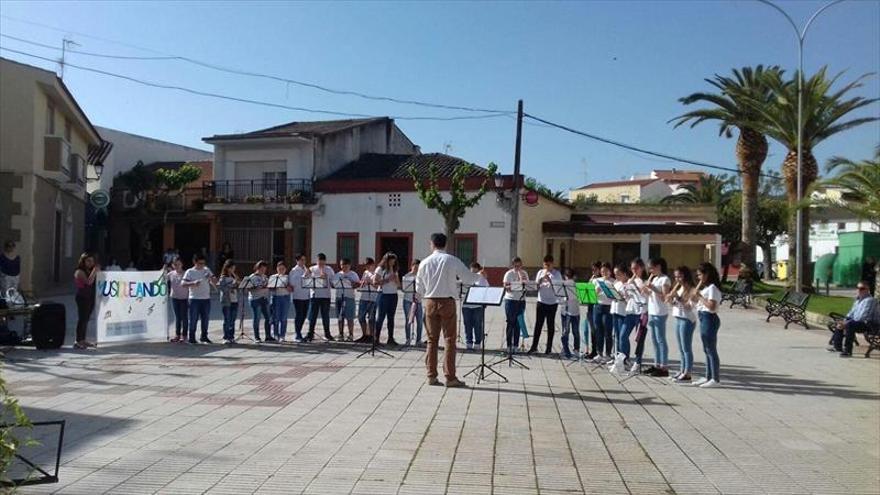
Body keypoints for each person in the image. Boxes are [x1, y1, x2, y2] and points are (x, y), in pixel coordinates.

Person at [416, 233, 478, 387]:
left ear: (432, 244)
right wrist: (477, 276)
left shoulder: (424, 262)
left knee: (432, 339)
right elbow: (468, 279)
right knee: (449, 340)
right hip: (447, 302)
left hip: (430, 301)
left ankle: (431, 375)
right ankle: (450, 377)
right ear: (445, 244)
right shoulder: (451, 260)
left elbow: (419, 287)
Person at [829, 281, 879, 357]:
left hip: (870, 324)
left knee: (849, 325)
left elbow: (862, 317)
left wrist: (847, 322)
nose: (859, 290)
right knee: (841, 323)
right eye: (858, 288)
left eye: (862, 288)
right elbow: (851, 313)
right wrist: (844, 321)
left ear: (867, 289)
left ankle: (848, 350)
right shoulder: (858, 301)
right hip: (860, 323)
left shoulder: (870, 300)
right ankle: (837, 347)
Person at [692, 262, 722, 388]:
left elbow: (712, 306)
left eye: (700, 275)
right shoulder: (706, 288)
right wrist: (695, 298)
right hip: (703, 318)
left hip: (709, 318)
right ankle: (708, 376)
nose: (698, 278)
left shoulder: (713, 288)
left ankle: (715, 378)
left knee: (711, 349)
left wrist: (699, 297)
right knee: (706, 349)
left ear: (707, 274)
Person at [667, 266, 697, 383]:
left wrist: (678, 298)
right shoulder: (679, 288)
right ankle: (682, 370)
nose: (677, 279)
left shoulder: (692, 290)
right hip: (678, 318)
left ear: (685, 276)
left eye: (680, 276)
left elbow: (689, 307)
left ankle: (687, 373)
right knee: (681, 348)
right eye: (676, 277)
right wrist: (670, 299)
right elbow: (673, 304)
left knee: (686, 348)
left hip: (687, 319)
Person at [642, 258, 672, 377]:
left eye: (651, 268)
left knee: (661, 340)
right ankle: (657, 364)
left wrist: (653, 288)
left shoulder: (665, 279)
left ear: (658, 266)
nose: (650, 270)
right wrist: (646, 290)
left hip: (660, 312)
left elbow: (665, 298)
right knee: (654, 340)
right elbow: (651, 295)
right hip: (652, 311)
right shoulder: (655, 278)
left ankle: (664, 367)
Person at [528, 255, 561, 355]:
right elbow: (536, 287)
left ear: (552, 264)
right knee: (538, 324)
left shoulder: (557, 274)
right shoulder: (540, 272)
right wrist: (541, 280)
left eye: (549, 265)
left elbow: (558, 288)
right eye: (545, 265)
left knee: (550, 325)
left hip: (552, 303)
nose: (547, 267)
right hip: (541, 301)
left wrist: (550, 280)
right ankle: (534, 347)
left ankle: (549, 348)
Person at [182, 253, 216, 344]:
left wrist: (211, 278)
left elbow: (214, 281)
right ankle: (192, 337)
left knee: (205, 319)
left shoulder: (207, 270)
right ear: (195, 262)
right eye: (200, 263)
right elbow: (183, 284)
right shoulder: (190, 271)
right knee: (193, 319)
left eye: (203, 263)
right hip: (194, 299)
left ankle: (204, 336)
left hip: (206, 298)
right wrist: (193, 283)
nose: (202, 265)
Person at [373, 252, 401, 346]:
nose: (392, 263)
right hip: (383, 295)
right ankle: (376, 338)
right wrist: (387, 280)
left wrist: (396, 280)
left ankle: (390, 338)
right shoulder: (380, 269)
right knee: (380, 317)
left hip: (393, 295)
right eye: (391, 261)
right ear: (386, 261)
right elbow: (375, 282)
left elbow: (399, 285)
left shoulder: (395, 269)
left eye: (394, 262)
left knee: (391, 317)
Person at [73, 252, 99, 349]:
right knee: (82, 319)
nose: (90, 263)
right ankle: (78, 341)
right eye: (88, 261)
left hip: (90, 297)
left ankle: (83, 339)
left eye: (92, 261)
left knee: (86, 319)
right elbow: (88, 282)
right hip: (82, 297)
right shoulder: (79, 271)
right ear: (83, 261)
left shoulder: (90, 270)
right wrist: (95, 272)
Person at [502, 257, 529, 355]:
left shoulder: (524, 273)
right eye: (516, 266)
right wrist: (512, 286)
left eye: (520, 265)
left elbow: (527, 286)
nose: (518, 267)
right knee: (510, 323)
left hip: (521, 300)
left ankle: (516, 345)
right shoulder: (509, 273)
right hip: (510, 300)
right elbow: (506, 286)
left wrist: (522, 279)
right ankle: (509, 345)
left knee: (518, 323)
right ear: (513, 265)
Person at [306, 253, 335, 342]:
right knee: (313, 315)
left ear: (325, 261)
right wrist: (315, 276)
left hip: (326, 295)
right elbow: (306, 280)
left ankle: (327, 333)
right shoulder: (312, 269)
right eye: (319, 262)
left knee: (325, 315)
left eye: (322, 263)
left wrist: (326, 277)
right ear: (316, 261)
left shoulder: (329, 269)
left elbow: (333, 282)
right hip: (315, 295)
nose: (321, 264)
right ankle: (310, 333)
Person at [607, 263, 631, 372]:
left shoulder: (629, 284)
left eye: (618, 274)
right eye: (615, 274)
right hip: (615, 311)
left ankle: (625, 358)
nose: (616, 276)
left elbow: (630, 300)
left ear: (625, 274)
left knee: (623, 337)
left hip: (624, 312)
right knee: (616, 335)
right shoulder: (616, 283)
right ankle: (618, 358)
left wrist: (622, 297)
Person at [627, 258, 649, 374]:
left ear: (642, 268)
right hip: (631, 311)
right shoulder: (631, 280)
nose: (633, 271)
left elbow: (645, 295)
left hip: (643, 312)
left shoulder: (646, 281)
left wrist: (637, 286)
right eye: (632, 268)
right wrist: (628, 287)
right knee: (623, 334)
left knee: (639, 338)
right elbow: (626, 295)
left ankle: (638, 361)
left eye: (636, 268)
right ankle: (624, 358)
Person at [461, 262, 488, 351]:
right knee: (467, 324)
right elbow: (461, 287)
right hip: (466, 305)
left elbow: (487, 289)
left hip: (477, 305)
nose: (473, 271)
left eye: (475, 269)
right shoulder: (466, 277)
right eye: (471, 269)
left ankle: (477, 343)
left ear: (478, 269)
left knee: (477, 324)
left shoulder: (481, 278)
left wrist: (484, 277)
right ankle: (469, 342)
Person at [591, 262, 615, 362]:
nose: (604, 273)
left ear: (610, 271)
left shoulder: (613, 281)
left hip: (609, 307)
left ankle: (608, 354)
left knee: (607, 331)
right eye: (602, 271)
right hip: (598, 306)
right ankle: (599, 353)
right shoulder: (596, 280)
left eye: (606, 271)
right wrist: (596, 291)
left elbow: (615, 296)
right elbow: (591, 296)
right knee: (598, 330)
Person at [247, 260, 274, 343]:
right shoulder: (252, 277)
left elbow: (269, 286)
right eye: (262, 269)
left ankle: (268, 336)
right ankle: (257, 337)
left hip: (264, 298)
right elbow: (248, 288)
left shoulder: (265, 277)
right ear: (257, 268)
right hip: (255, 299)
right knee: (257, 318)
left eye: (264, 269)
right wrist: (256, 288)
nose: (263, 271)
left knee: (268, 317)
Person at [334, 258, 360, 341]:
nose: (344, 267)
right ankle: (341, 334)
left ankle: (351, 335)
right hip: (339, 297)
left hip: (349, 297)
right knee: (340, 317)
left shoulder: (353, 274)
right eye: (342, 265)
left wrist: (351, 283)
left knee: (350, 317)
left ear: (349, 266)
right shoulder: (338, 274)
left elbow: (358, 284)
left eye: (346, 266)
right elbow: (333, 284)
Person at [165, 259, 189, 343]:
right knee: (177, 317)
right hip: (174, 298)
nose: (177, 266)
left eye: (179, 264)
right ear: (172, 265)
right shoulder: (171, 274)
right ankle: (177, 335)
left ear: (182, 264)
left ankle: (185, 335)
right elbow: (161, 277)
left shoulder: (186, 273)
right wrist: (163, 269)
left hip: (184, 298)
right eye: (175, 264)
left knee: (184, 317)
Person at [401, 260, 423, 346]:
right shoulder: (406, 276)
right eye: (415, 267)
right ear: (411, 266)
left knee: (420, 321)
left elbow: (424, 289)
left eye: (418, 267)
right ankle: (408, 339)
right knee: (408, 320)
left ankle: (418, 340)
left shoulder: (421, 277)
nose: (416, 269)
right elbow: (404, 289)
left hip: (418, 301)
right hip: (408, 300)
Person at [356, 257, 378, 343]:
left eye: (369, 266)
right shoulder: (365, 272)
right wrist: (362, 283)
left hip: (373, 298)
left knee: (371, 318)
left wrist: (371, 282)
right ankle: (364, 335)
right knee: (361, 317)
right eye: (366, 266)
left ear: (373, 265)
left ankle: (372, 336)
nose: (368, 268)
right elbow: (361, 285)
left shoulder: (376, 273)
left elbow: (378, 286)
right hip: (364, 297)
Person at [268, 260, 291, 342]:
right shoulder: (273, 277)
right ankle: (275, 334)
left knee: (284, 317)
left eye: (283, 268)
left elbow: (292, 289)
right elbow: (269, 288)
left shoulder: (288, 277)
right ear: (277, 268)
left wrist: (288, 287)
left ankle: (282, 335)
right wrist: (273, 286)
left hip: (285, 297)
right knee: (275, 317)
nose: (281, 270)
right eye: (279, 268)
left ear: (285, 269)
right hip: (276, 297)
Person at [218, 260, 240, 344]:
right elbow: (222, 288)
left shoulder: (234, 277)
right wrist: (232, 285)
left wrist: (237, 282)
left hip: (234, 300)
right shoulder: (223, 277)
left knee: (232, 320)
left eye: (233, 268)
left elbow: (238, 286)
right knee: (227, 319)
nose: (232, 270)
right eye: (231, 268)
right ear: (227, 268)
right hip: (226, 301)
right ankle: (226, 337)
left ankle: (231, 336)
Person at [560, 268, 581, 359]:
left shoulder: (577, 286)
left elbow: (580, 299)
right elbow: (560, 298)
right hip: (565, 311)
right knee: (566, 331)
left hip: (575, 312)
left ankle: (576, 349)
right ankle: (566, 349)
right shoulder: (562, 286)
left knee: (575, 332)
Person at [289, 254, 310, 342]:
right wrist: (304, 276)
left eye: (304, 260)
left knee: (304, 315)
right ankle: (297, 334)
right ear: (297, 261)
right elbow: (292, 283)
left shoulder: (306, 269)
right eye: (301, 260)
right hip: (298, 296)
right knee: (299, 315)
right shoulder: (294, 270)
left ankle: (299, 332)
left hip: (306, 295)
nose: (303, 262)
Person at [583, 262, 601, 359]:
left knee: (598, 330)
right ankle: (593, 350)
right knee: (592, 330)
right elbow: (586, 292)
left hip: (598, 306)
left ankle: (599, 351)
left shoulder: (601, 280)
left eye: (595, 270)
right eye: (592, 270)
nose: (593, 272)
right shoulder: (593, 279)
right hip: (590, 305)